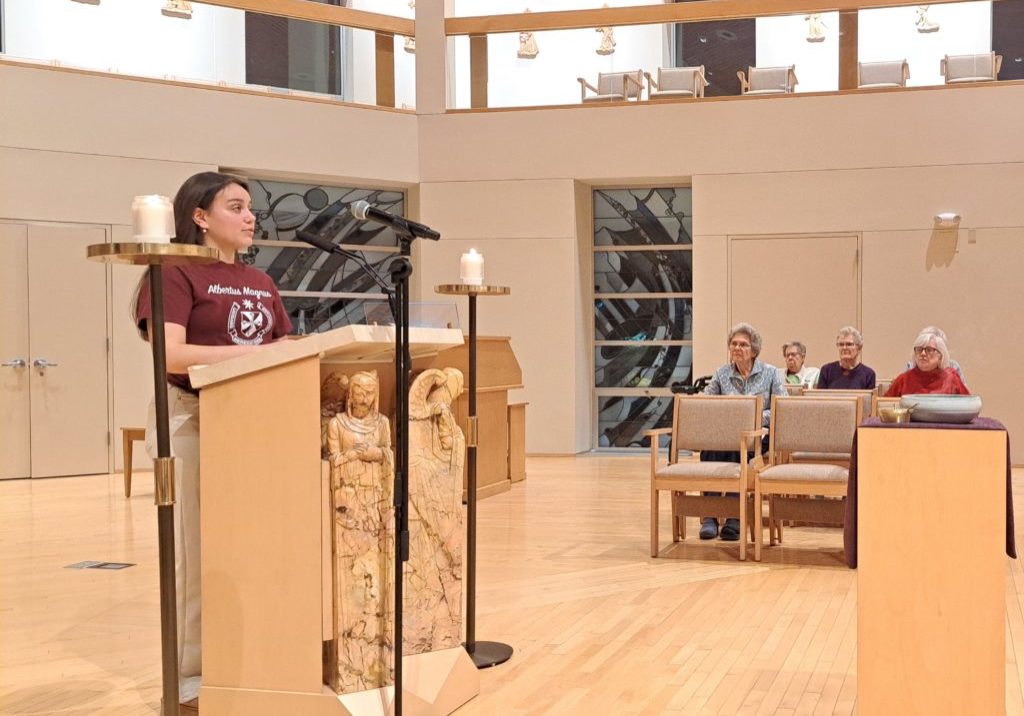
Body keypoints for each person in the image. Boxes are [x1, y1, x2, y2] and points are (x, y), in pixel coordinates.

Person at [132, 172, 292, 713]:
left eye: (251, 208)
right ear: (200, 216)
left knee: (248, 551)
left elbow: (283, 345)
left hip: (255, 423)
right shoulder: (174, 271)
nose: (251, 217)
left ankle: (247, 660)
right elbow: (171, 356)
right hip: (193, 418)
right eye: (237, 206)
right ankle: (190, 679)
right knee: (195, 555)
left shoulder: (260, 280)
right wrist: (257, 357)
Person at [701, 322, 787, 541]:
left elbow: (783, 407)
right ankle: (710, 515)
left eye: (743, 344)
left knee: (736, 446)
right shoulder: (721, 373)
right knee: (713, 445)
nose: (737, 348)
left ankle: (733, 516)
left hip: (759, 435)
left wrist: (753, 414)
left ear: (754, 350)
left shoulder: (771, 374)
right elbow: (706, 404)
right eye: (733, 344)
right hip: (726, 434)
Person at [886, 330, 969, 397]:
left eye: (929, 350)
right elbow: (884, 406)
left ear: (940, 355)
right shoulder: (903, 380)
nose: (922, 354)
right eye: (919, 349)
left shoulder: (951, 378)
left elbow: (969, 406)